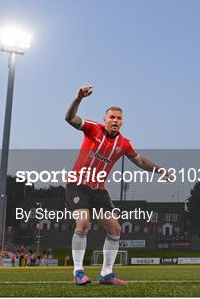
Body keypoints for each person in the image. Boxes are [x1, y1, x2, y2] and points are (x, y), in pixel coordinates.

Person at [65, 85, 171, 285]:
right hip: (77, 184)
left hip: (99, 190)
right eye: (111, 117)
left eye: (119, 118)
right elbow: (70, 118)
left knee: (115, 228)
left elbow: (139, 160)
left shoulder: (124, 143)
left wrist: (160, 170)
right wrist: (78, 98)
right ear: (104, 119)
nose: (115, 120)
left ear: (122, 122)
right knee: (83, 222)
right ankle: (78, 272)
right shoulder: (92, 129)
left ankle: (106, 274)